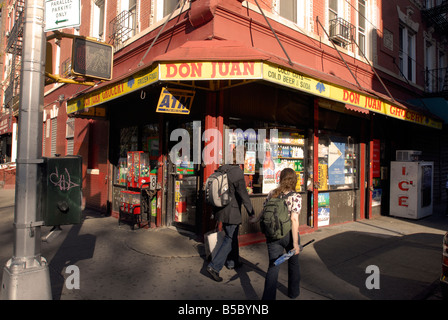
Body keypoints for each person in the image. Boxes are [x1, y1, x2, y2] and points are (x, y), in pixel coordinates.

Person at [206, 148, 255, 282]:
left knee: (232, 236)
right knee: (229, 238)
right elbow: (243, 195)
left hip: (221, 209)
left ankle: (233, 262)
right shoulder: (237, 172)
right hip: (232, 211)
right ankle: (214, 267)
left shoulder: (222, 169)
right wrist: (251, 212)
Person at [261, 167, 302, 300]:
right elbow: (294, 219)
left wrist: (255, 219)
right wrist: (295, 243)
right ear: (294, 180)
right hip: (289, 235)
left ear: (281, 179)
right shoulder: (296, 196)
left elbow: (264, 211)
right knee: (293, 264)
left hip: (273, 235)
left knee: (273, 266)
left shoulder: (272, 193)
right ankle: (293, 293)